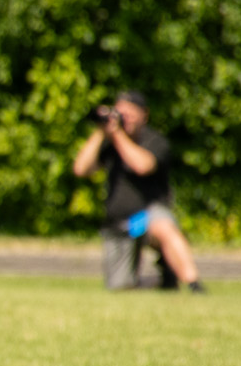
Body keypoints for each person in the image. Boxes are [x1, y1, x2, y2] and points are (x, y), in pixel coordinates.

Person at [72, 90, 206, 292]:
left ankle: (194, 284)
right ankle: (164, 280)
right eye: (120, 113)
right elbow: (81, 169)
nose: (124, 118)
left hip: (145, 216)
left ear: (144, 114)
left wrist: (117, 134)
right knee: (119, 287)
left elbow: (143, 165)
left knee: (165, 227)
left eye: (130, 113)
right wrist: (101, 130)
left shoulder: (154, 140)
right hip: (118, 224)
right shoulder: (109, 142)